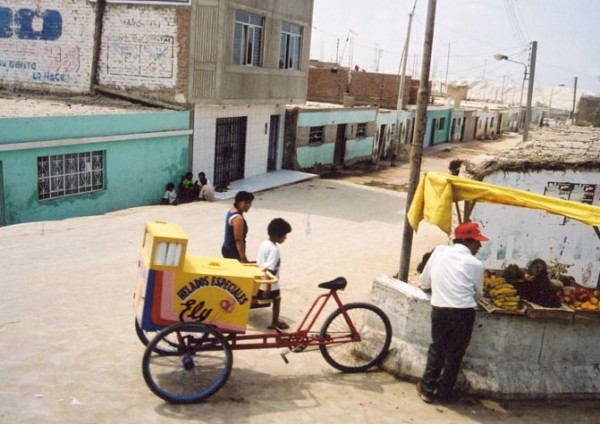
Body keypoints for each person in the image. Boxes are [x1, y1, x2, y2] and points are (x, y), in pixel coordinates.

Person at [416, 222, 488, 404]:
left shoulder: (439, 251)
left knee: (437, 350)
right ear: (467, 241)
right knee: (455, 354)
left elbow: (424, 281)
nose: (480, 246)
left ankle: (427, 389)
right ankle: (444, 393)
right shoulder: (476, 264)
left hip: (440, 311)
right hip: (464, 314)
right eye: (477, 242)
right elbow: (478, 294)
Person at [256, 218, 292, 330]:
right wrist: (268, 288)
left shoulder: (264, 243)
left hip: (260, 278)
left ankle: (275, 321)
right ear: (277, 235)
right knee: (277, 299)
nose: (285, 238)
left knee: (276, 299)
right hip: (270, 283)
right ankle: (275, 322)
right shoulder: (274, 250)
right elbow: (269, 270)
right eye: (284, 235)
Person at [221, 191, 254, 262]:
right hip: (233, 252)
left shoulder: (232, 210)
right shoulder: (237, 218)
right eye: (245, 203)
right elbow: (238, 240)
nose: (248, 205)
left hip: (227, 247)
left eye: (249, 203)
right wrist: (243, 258)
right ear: (238, 203)